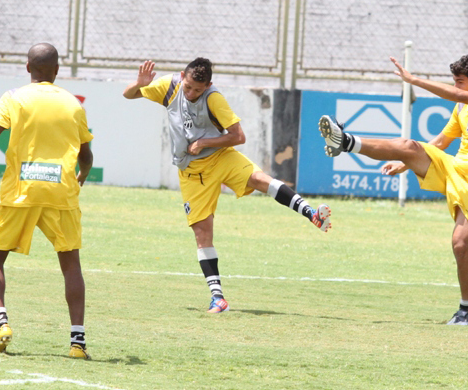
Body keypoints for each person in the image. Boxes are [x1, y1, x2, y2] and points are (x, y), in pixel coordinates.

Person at [123, 58, 331, 313]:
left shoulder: (214, 99)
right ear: (182, 76)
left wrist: (204, 142)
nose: (191, 93)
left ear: (208, 85)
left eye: (198, 90)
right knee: (202, 234)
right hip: (192, 172)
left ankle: (311, 214)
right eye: (188, 87)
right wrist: (139, 84)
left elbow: (238, 136)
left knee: (259, 179)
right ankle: (218, 298)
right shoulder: (169, 86)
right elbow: (128, 94)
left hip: (221, 157)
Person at [319, 54, 468, 326]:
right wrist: (405, 162)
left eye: (460, 82)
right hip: (455, 168)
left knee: (460, 245)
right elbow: (442, 141)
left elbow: (454, 95)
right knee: (408, 146)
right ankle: (345, 141)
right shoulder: (461, 108)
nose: (455, 87)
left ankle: (467, 311)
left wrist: (413, 80)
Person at [0, 43, 94, 359]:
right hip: (60, 192)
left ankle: (1, 323)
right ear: (57, 70)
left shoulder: (13, 98)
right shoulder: (73, 104)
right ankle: (77, 343)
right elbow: (86, 154)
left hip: (20, 191)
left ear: (27, 66)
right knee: (70, 263)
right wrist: (83, 174)